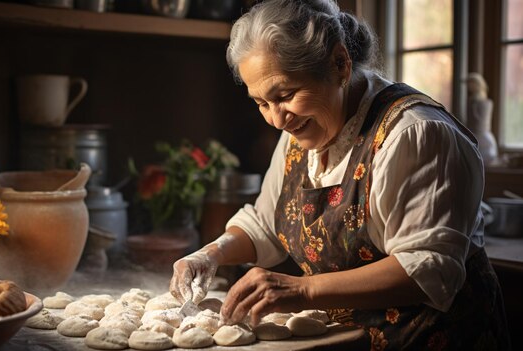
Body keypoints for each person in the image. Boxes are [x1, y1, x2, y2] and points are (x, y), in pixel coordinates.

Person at [169, 0, 510, 349]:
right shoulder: (300, 131)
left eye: (285, 95)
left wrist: (301, 288)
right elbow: (266, 224)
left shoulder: (416, 135)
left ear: (340, 64)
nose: (275, 119)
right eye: (261, 102)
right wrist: (210, 254)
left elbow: (427, 269)